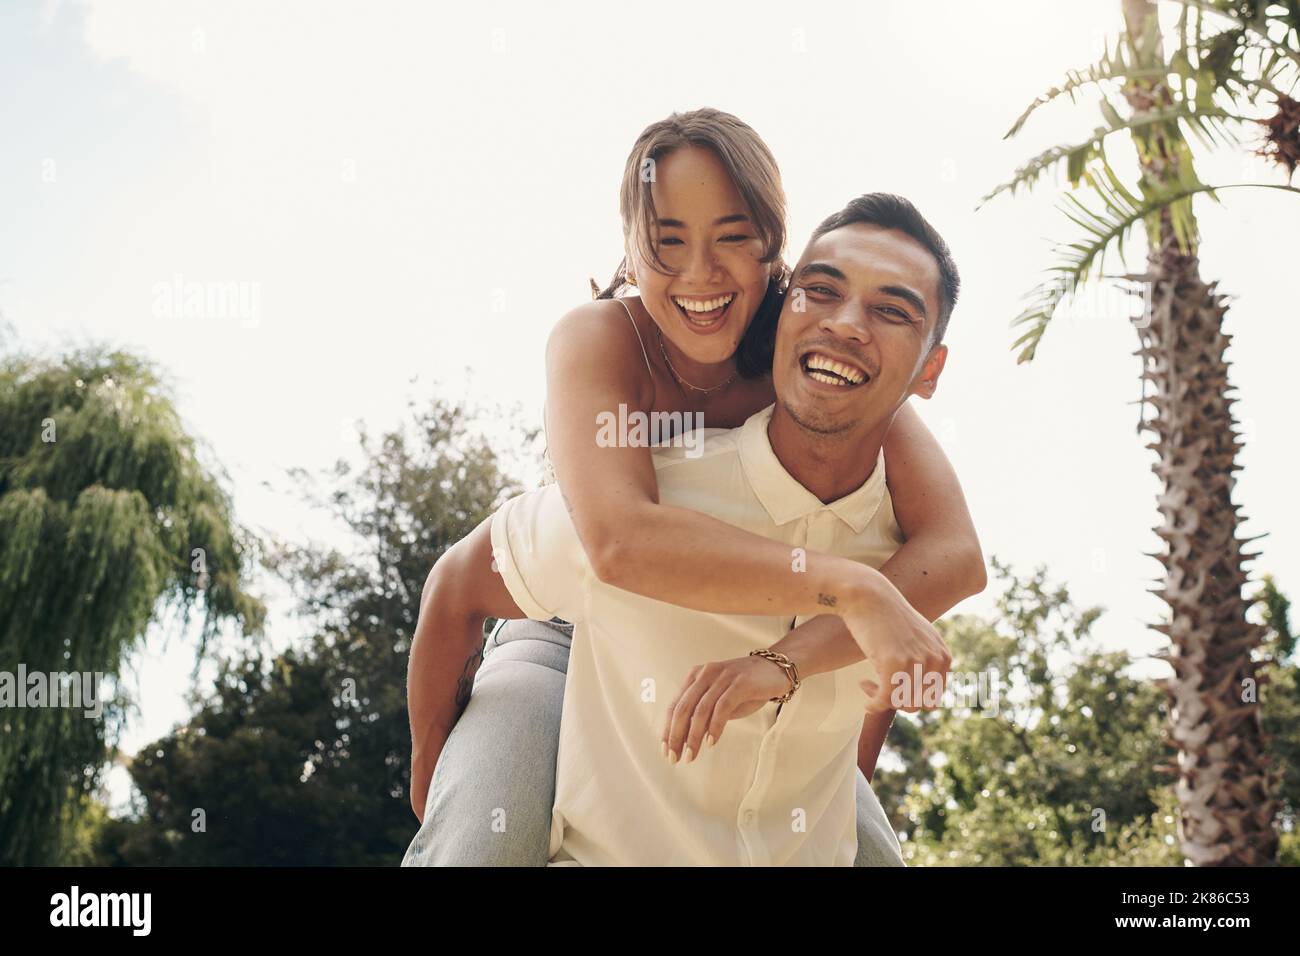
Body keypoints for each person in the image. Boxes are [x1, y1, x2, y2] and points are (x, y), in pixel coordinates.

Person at [406, 109, 984, 866]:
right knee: (482, 837)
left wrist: (821, 765)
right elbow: (611, 545)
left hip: (749, 625)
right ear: (630, 249)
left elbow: (952, 554)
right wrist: (427, 773)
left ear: (773, 247)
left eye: (732, 239)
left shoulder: (811, 345)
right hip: (562, 626)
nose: (700, 276)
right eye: (666, 244)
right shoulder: (603, 340)